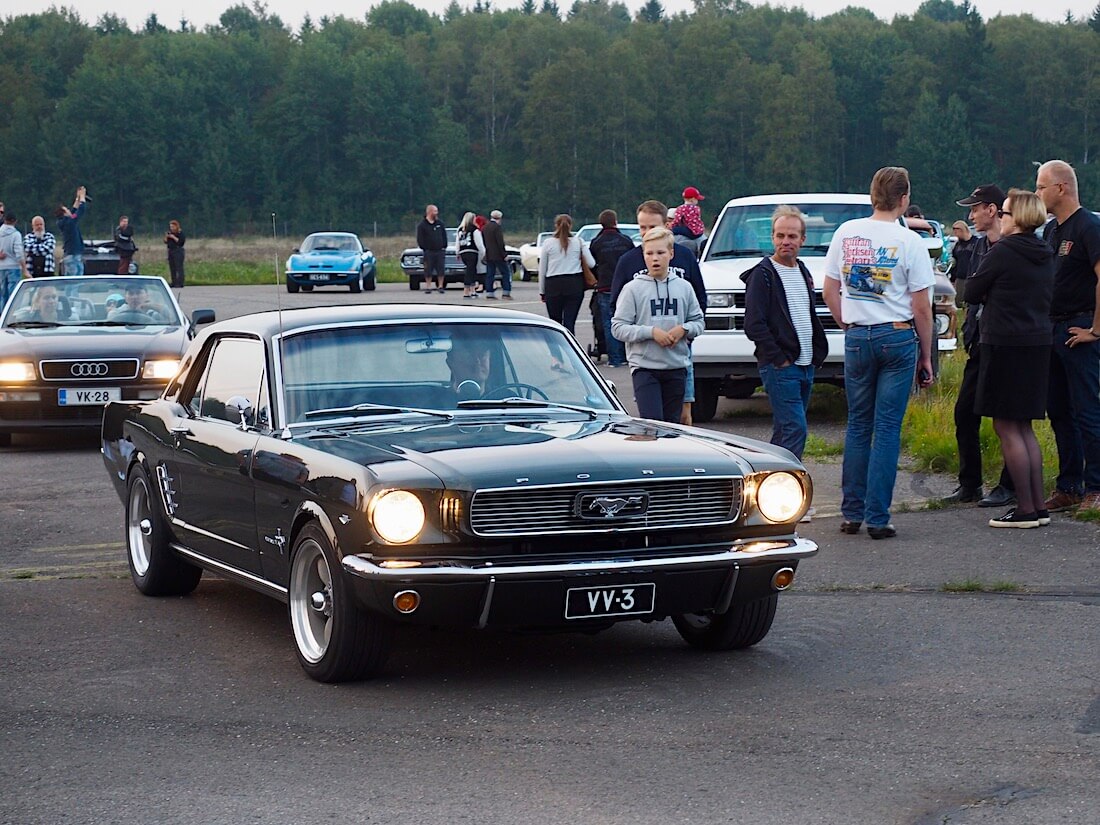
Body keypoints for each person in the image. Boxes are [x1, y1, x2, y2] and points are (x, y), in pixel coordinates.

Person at [823, 166, 935, 540]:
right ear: (904, 200)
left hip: (858, 336)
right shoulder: (909, 243)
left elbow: (829, 289)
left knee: (858, 425)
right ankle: (878, 516)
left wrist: (847, 322)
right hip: (897, 336)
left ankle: (851, 511)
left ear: (872, 196)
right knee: (887, 428)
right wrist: (926, 355)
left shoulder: (847, 233)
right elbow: (922, 307)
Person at [962, 189, 1055, 528]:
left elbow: (970, 292)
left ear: (1017, 218)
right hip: (1037, 343)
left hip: (1005, 344)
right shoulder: (1044, 251)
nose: (1000, 217)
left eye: (1004, 213)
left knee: (1005, 425)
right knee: (1024, 427)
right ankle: (1036, 505)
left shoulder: (1003, 252)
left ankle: (1027, 509)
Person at [945, 184, 1015, 508]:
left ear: (992, 209)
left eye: (975, 209)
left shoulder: (1015, 246)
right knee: (965, 413)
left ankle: (1009, 485)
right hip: (979, 341)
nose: (971, 215)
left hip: (1006, 342)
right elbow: (970, 294)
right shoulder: (976, 248)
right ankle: (969, 483)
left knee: (1007, 417)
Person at [1036, 159, 1100, 514]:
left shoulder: (1089, 226)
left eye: (1041, 186)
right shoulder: (1051, 231)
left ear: (1061, 188)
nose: (1037, 193)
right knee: (1059, 411)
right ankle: (1069, 485)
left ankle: (1097, 487)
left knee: (1088, 410)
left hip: (1079, 329)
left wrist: (1096, 330)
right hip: (1053, 329)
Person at [741, 205, 828, 460]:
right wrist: (778, 358)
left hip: (805, 363)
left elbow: (807, 315)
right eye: (780, 236)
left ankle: (768, 487)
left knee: (784, 432)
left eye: (791, 236)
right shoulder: (763, 274)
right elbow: (754, 324)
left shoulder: (803, 271)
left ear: (803, 239)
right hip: (781, 366)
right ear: (772, 238)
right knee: (794, 429)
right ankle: (788, 487)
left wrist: (817, 353)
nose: (785, 241)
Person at [611, 200, 707, 424]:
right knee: (652, 424)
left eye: (660, 252)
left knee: (677, 424)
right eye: (642, 228)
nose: (655, 258)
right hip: (645, 364)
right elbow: (618, 322)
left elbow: (698, 315)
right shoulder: (631, 276)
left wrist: (684, 330)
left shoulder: (684, 279)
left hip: (678, 362)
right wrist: (650, 332)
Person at [589, 209, 635, 368]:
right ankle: (627, 355)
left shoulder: (596, 243)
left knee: (609, 323)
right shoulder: (626, 241)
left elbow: (592, 264)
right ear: (615, 221)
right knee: (627, 320)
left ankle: (615, 358)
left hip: (605, 286)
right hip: (625, 286)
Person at [539, 213, 595, 335]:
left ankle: (556, 351)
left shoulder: (548, 243)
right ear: (570, 226)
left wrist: (542, 291)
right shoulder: (578, 242)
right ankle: (570, 348)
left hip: (553, 284)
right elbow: (591, 263)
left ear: (556, 225)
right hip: (574, 283)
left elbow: (542, 269)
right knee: (570, 322)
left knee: (555, 322)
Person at [55, 186, 87, 276]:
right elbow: (81, 210)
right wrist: (82, 197)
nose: (69, 210)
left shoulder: (66, 221)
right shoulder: (69, 223)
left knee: (76, 279)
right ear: (64, 213)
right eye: (66, 210)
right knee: (74, 280)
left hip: (73, 255)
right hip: (72, 256)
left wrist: (78, 198)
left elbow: (74, 211)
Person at [416, 204, 447, 294]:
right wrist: (425, 248)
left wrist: (444, 246)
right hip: (429, 251)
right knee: (428, 269)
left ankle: (440, 286)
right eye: (435, 211)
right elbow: (420, 239)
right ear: (429, 212)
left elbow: (444, 236)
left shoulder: (440, 224)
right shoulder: (422, 225)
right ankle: (428, 286)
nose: (436, 213)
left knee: (441, 269)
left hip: (440, 251)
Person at [481, 209, 511, 300]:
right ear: (499, 218)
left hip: (489, 254)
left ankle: (489, 293)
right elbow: (500, 242)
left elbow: (484, 241)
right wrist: (504, 254)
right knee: (505, 273)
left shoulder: (485, 227)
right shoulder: (497, 227)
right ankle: (506, 292)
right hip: (498, 255)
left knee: (490, 274)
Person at [670, 186, 707, 257]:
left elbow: (677, 220)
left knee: (674, 230)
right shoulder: (697, 208)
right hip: (698, 232)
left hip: (689, 231)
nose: (697, 201)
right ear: (692, 199)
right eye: (697, 199)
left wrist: (672, 227)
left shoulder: (681, 209)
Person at [0, 211, 27, 308]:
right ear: (15, 221)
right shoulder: (16, 234)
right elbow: (19, 253)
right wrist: (24, 268)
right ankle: (12, 314)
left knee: (3, 294)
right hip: (14, 267)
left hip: (1, 267)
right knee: (13, 294)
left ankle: (2, 315)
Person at [456, 212, 484, 299]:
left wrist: (457, 252)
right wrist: (483, 253)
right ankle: (467, 290)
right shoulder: (475, 230)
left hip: (463, 252)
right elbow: (479, 244)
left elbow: (457, 243)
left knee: (470, 270)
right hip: (472, 252)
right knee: (471, 271)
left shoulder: (460, 230)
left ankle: (472, 290)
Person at [949, 220, 978, 285]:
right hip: (960, 278)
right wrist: (952, 279)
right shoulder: (957, 245)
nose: (955, 233)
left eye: (957, 230)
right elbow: (954, 263)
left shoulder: (976, 243)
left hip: (972, 278)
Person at [165, 220, 185, 287]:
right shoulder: (170, 233)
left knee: (179, 267)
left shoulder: (180, 233)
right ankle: (174, 282)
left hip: (178, 250)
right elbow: (166, 241)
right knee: (172, 267)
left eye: (173, 226)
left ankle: (180, 282)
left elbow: (180, 242)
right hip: (171, 250)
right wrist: (167, 236)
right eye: (170, 227)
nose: (171, 228)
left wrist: (173, 237)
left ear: (176, 226)